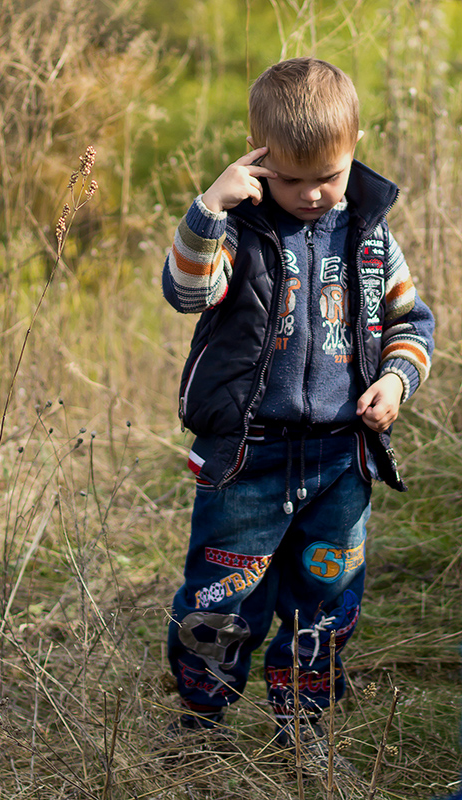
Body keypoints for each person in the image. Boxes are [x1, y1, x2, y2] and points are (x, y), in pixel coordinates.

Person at [162, 57, 435, 746]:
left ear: (353, 150)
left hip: (340, 462)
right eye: (290, 179)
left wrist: (396, 380)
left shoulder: (370, 241)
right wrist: (209, 208)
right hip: (246, 461)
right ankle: (201, 723)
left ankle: (303, 729)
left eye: (328, 177)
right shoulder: (236, 232)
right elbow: (186, 291)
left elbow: (411, 323)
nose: (312, 194)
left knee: (323, 603)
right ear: (256, 159)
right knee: (219, 602)